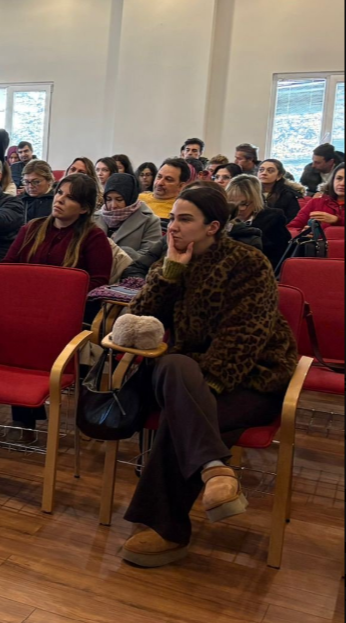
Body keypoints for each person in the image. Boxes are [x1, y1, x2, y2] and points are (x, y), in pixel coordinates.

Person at [120, 185, 296, 567]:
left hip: (252, 378)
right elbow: (138, 322)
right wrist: (170, 272)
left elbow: (245, 336)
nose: (173, 228)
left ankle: (169, 532)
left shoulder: (248, 263)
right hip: (184, 376)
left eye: (185, 220)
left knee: (180, 414)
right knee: (173, 365)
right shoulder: (169, 263)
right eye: (171, 220)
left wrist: (206, 390)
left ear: (213, 226)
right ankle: (215, 470)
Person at [3, 173, 114, 435]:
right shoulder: (31, 229)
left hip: (68, 315)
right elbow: (7, 268)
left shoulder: (93, 238)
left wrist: (56, 293)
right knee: (13, 330)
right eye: (60, 193)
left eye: (70, 197)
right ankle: (25, 413)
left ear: (85, 208)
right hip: (27, 310)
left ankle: (26, 416)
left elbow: (98, 284)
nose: (60, 200)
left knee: (31, 335)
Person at [94, 173, 163, 279]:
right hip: (95, 274)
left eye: (119, 199)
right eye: (108, 199)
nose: (113, 205)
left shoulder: (150, 221)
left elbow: (149, 258)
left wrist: (117, 251)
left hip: (128, 278)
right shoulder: (94, 218)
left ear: (130, 197)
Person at [225, 176, 291, 267]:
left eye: (243, 204)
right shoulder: (223, 219)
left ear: (256, 200)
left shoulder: (274, 218)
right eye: (232, 203)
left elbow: (277, 257)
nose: (238, 209)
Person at [289, 163, 345, 235]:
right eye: (339, 178)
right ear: (332, 180)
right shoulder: (316, 202)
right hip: (317, 245)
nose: (342, 183)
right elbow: (291, 228)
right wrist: (302, 233)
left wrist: (337, 220)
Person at [139, 158, 191, 225]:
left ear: (181, 186)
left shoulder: (182, 210)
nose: (160, 183)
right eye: (159, 177)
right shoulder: (138, 199)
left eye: (168, 179)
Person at [257, 158, 301, 224]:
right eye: (261, 170)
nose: (264, 173)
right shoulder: (249, 191)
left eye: (270, 171)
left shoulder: (287, 195)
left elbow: (292, 218)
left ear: (279, 176)